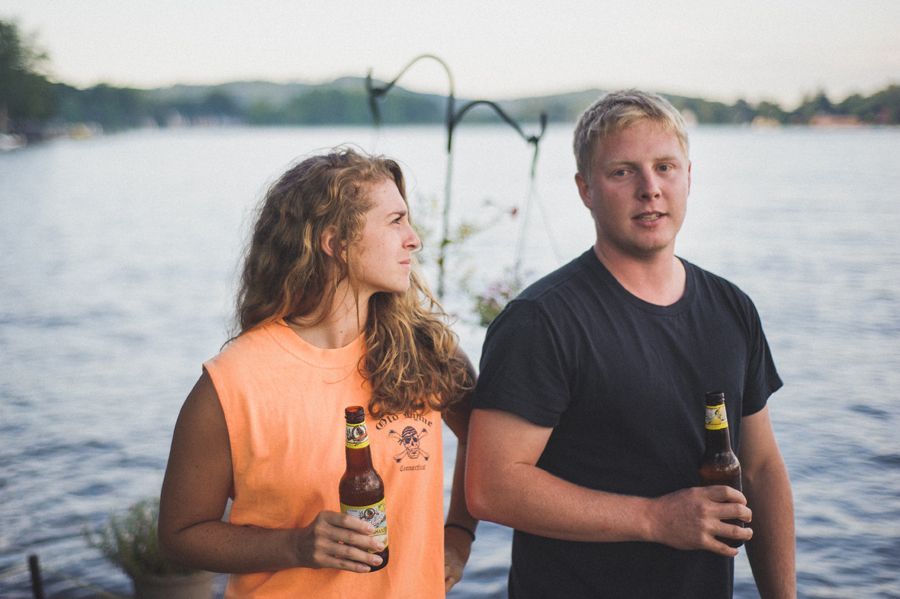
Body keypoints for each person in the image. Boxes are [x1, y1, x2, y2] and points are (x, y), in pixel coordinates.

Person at [466, 90, 795, 598]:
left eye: (665, 167)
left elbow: (761, 467)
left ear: (690, 176)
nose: (650, 189)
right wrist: (654, 518)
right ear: (585, 189)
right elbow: (491, 487)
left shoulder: (731, 309)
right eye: (623, 172)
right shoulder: (542, 321)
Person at [158, 148, 478, 597]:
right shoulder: (232, 384)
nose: (414, 239)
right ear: (335, 243)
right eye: (394, 221)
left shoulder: (425, 355)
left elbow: (481, 436)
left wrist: (460, 533)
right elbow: (180, 534)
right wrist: (294, 546)